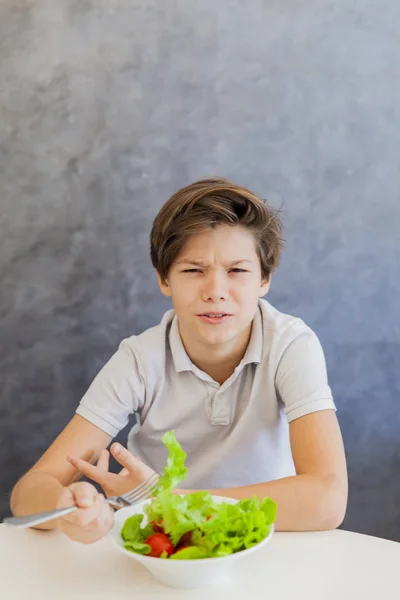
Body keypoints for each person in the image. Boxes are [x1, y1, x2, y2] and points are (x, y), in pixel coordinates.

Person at [10, 178, 348, 544]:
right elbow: (27, 494)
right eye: (193, 270)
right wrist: (68, 507)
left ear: (264, 279)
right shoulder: (140, 360)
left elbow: (327, 499)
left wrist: (164, 500)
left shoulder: (290, 345)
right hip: (165, 547)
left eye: (236, 271)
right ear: (164, 279)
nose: (216, 292)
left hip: (269, 541)